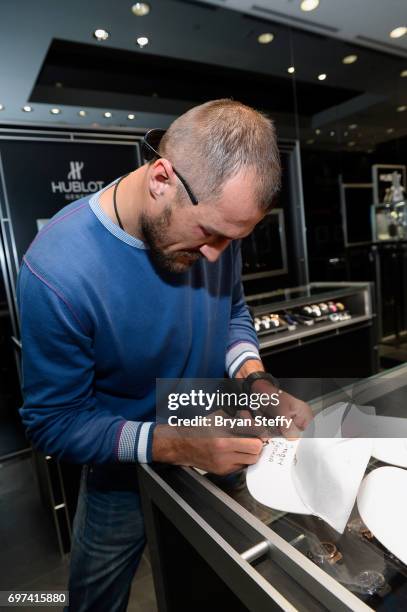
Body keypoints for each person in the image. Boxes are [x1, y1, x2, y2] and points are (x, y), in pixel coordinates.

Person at [18, 99, 311, 612]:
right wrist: (177, 445)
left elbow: (232, 314)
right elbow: (54, 422)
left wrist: (255, 380)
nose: (217, 255)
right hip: (121, 470)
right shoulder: (57, 270)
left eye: (233, 239)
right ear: (161, 178)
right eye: (210, 235)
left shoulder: (215, 225)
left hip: (216, 437)